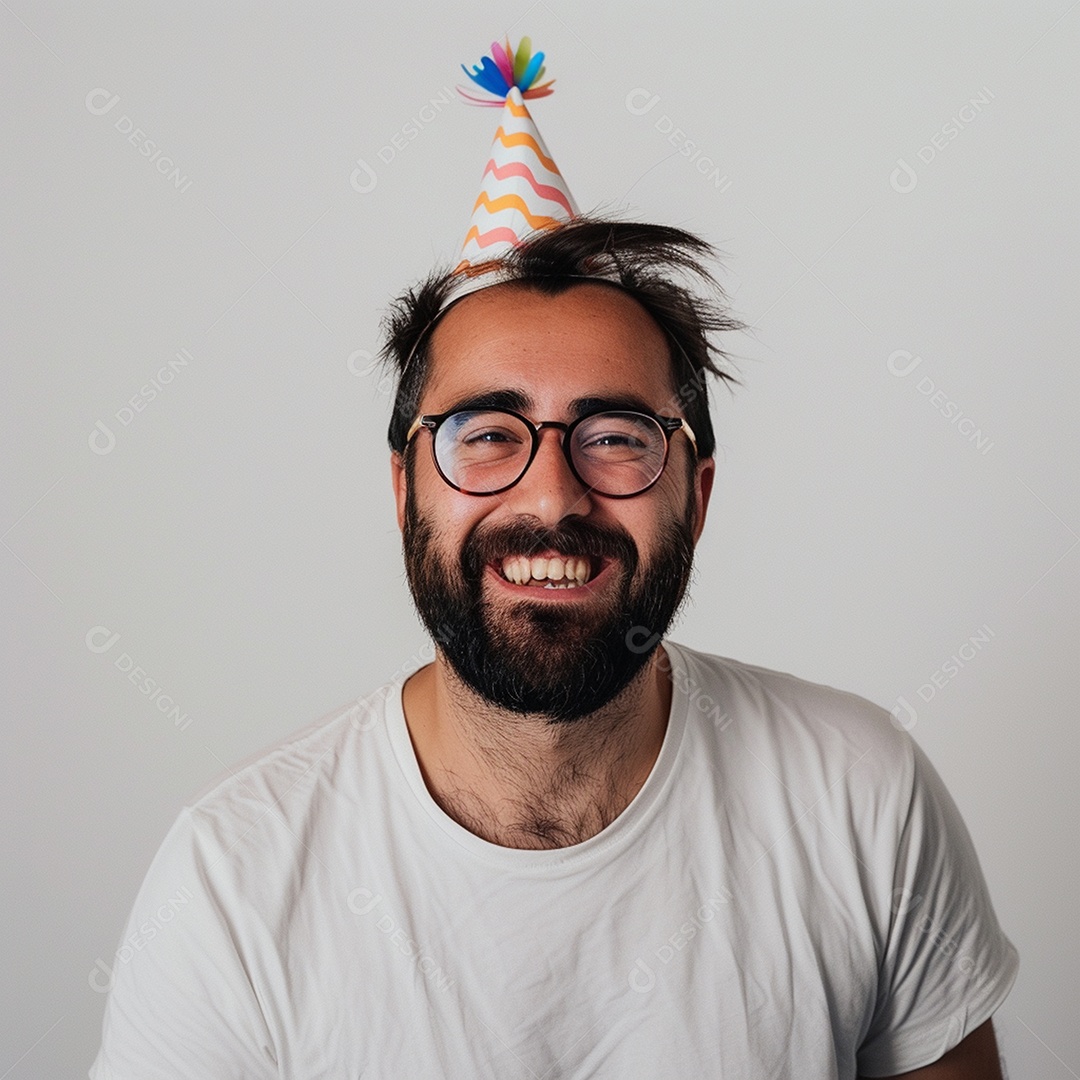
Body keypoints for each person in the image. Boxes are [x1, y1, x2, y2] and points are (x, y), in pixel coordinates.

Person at [90, 39, 1018, 1080]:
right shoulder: (233, 878)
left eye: (615, 435)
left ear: (695, 495)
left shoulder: (863, 795)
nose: (549, 495)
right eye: (486, 434)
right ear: (404, 493)